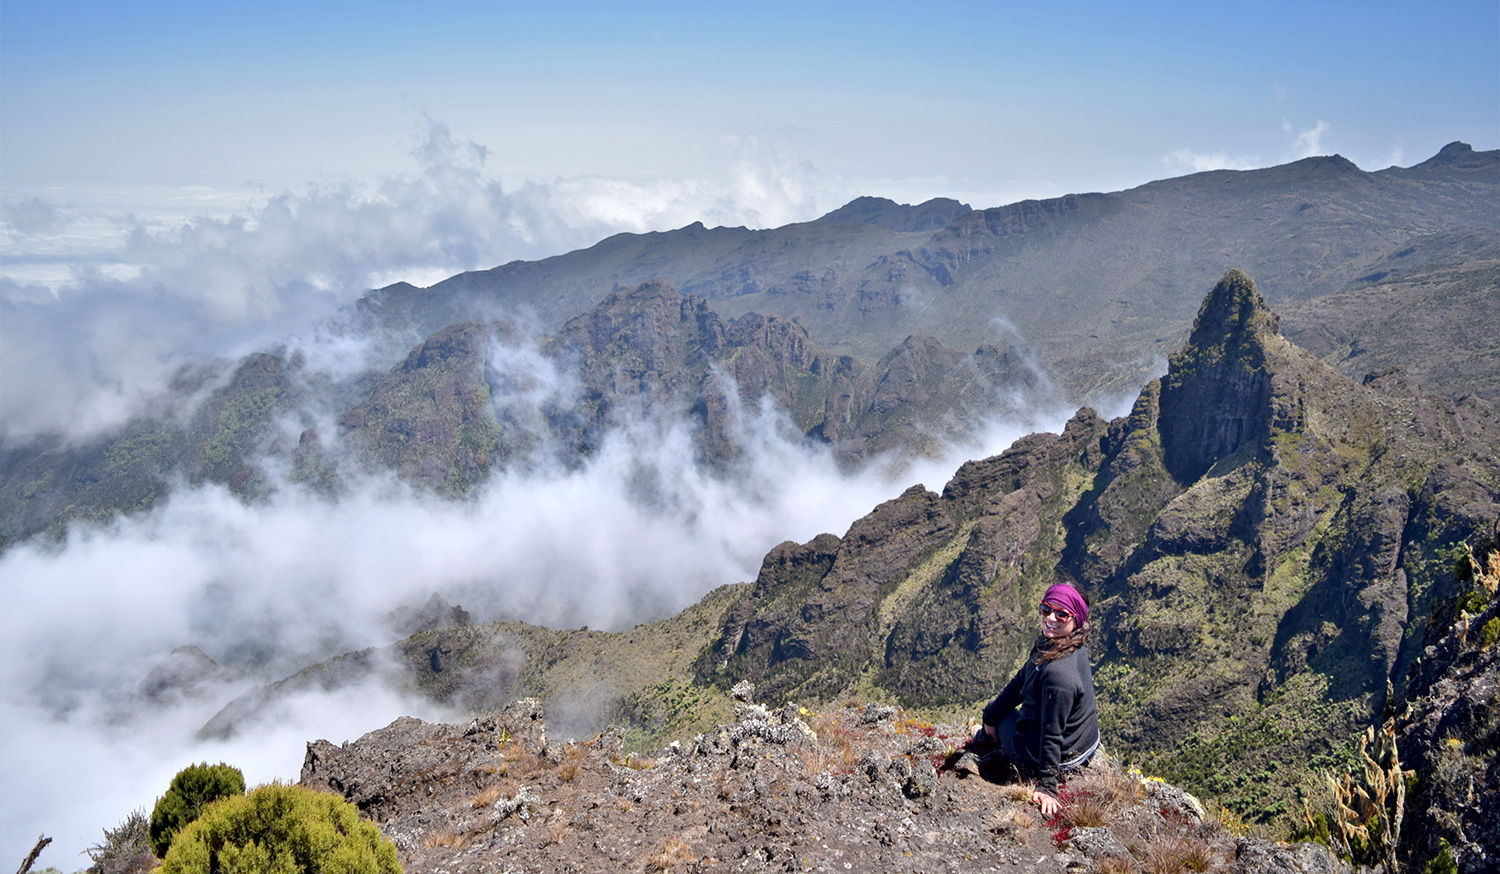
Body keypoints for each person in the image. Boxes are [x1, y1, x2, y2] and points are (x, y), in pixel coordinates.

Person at [978, 576, 1100, 816]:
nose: (1051, 618)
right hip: (1085, 741)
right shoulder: (1063, 642)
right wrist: (989, 715)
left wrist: (1047, 786)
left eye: (1061, 614)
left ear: (1076, 619)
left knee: (1004, 717)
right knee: (996, 711)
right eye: (1047, 609)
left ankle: (984, 739)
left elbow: (1052, 732)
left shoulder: (1059, 675)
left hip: (1061, 757)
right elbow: (1020, 682)